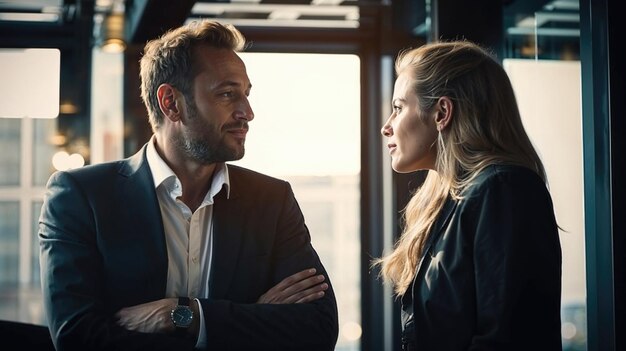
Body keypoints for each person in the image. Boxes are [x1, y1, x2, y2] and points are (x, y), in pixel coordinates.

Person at [39, 19, 338, 351]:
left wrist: (182, 315)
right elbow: (77, 338)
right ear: (171, 103)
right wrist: (251, 318)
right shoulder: (81, 197)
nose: (247, 112)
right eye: (228, 94)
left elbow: (317, 329)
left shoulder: (272, 200)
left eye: (246, 95)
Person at [376, 40, 562, 350]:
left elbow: (505, 339)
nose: (387, 127)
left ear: (442, 112)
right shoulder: (452, 200)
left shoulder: (504, 191)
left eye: (397, 108)